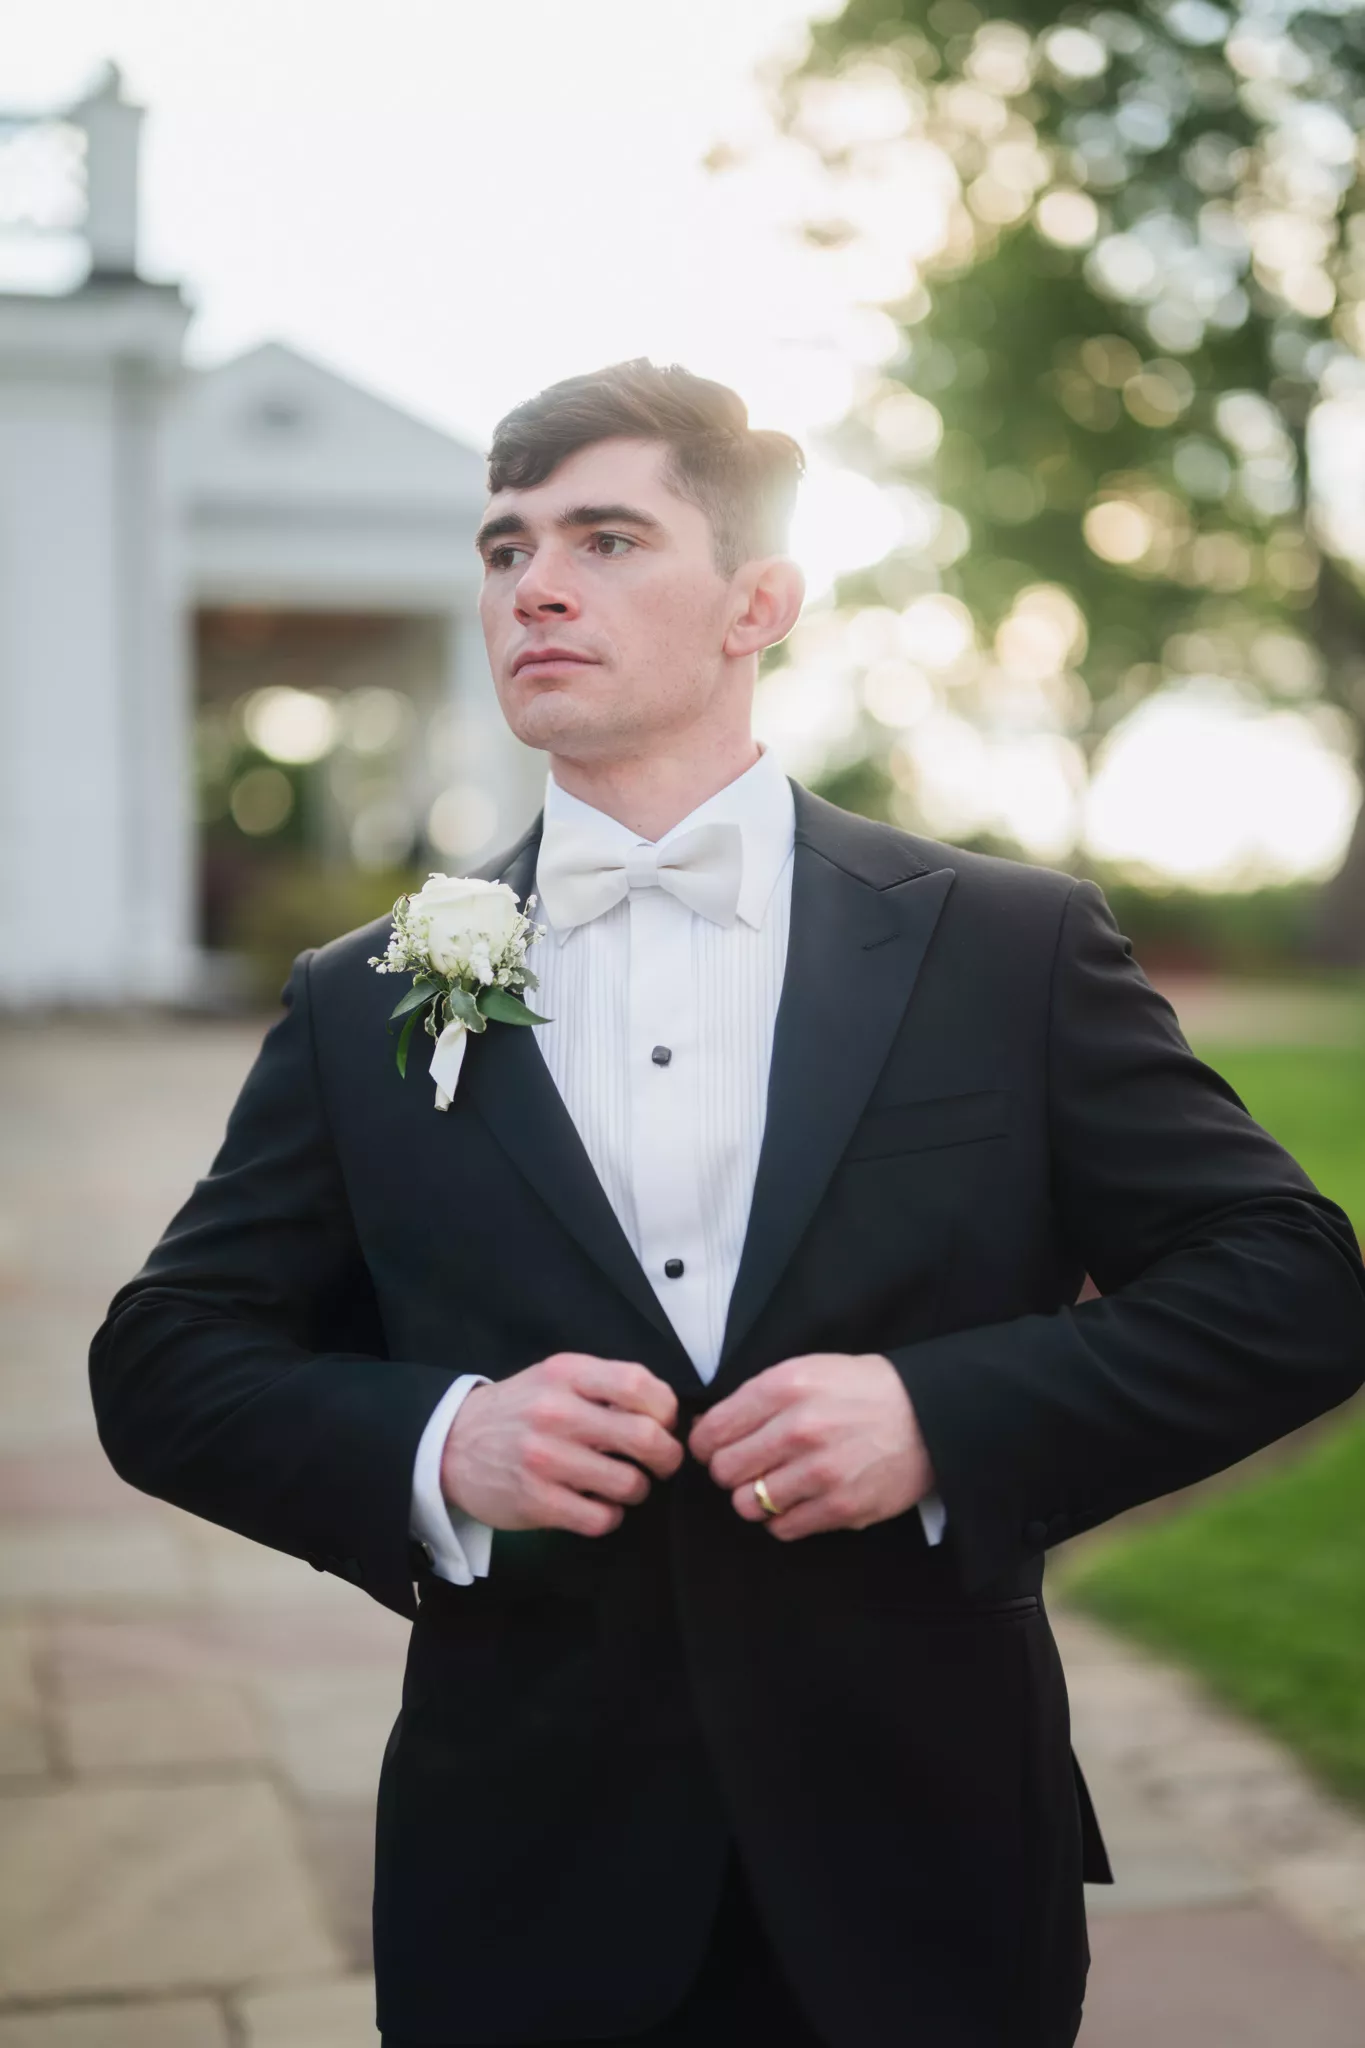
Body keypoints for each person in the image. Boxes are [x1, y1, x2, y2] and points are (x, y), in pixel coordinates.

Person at [89, 359, 1365, 2048]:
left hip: (925, 1860)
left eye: (607, 539)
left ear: (759, 599)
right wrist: (443, 1443)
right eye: (504, 549)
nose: (533, 584)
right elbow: (165, 1359)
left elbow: (1292, 1281)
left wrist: (939, 1413)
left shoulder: (1005, 946)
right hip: (521, 1880)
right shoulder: (366, 991)